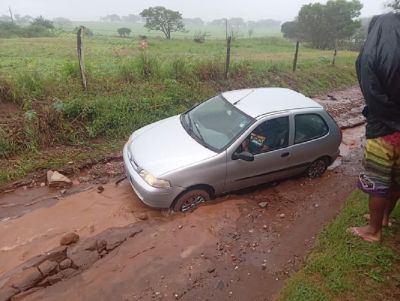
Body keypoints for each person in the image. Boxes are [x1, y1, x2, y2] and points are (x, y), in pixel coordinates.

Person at [349, 13, 400, 242]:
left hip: (383, 132)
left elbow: (373, 97)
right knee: (397, 181)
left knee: (378, 183)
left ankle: (373, 230)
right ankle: (385, 219)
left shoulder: (370, 56)